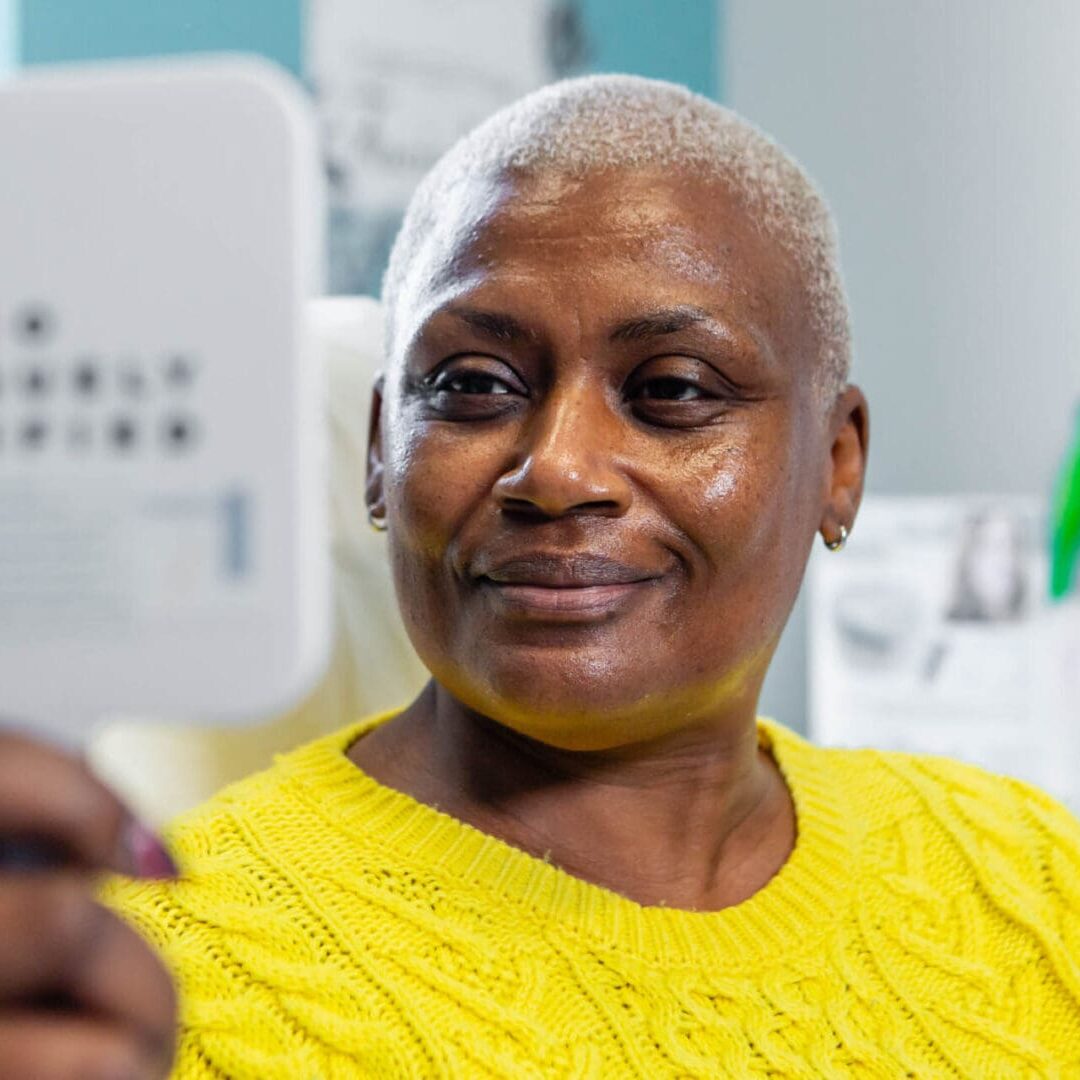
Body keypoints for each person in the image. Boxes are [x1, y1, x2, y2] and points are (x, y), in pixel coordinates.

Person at [2, 74, 1079, 1079]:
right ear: (381, 450)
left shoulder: (1033, 880)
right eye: (472, 384)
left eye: (673, 389)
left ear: (836, 465)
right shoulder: (130, 983)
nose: (556, 470)